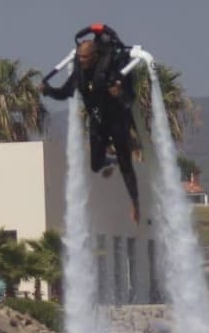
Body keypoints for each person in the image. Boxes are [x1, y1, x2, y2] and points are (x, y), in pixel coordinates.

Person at [41, 23, 140, 223]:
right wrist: (48, 90)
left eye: (85, 58)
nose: (81, 61)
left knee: (126, 163)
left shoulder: (111, 67)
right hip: (97, 121)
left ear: (94, 57)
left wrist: (119, 93)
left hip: (117, 119)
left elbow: (130, 100)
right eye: (80, 57)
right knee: (95, 165)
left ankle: (135, 203)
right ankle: (109, 161)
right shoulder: (79, 72)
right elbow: (65, 92)